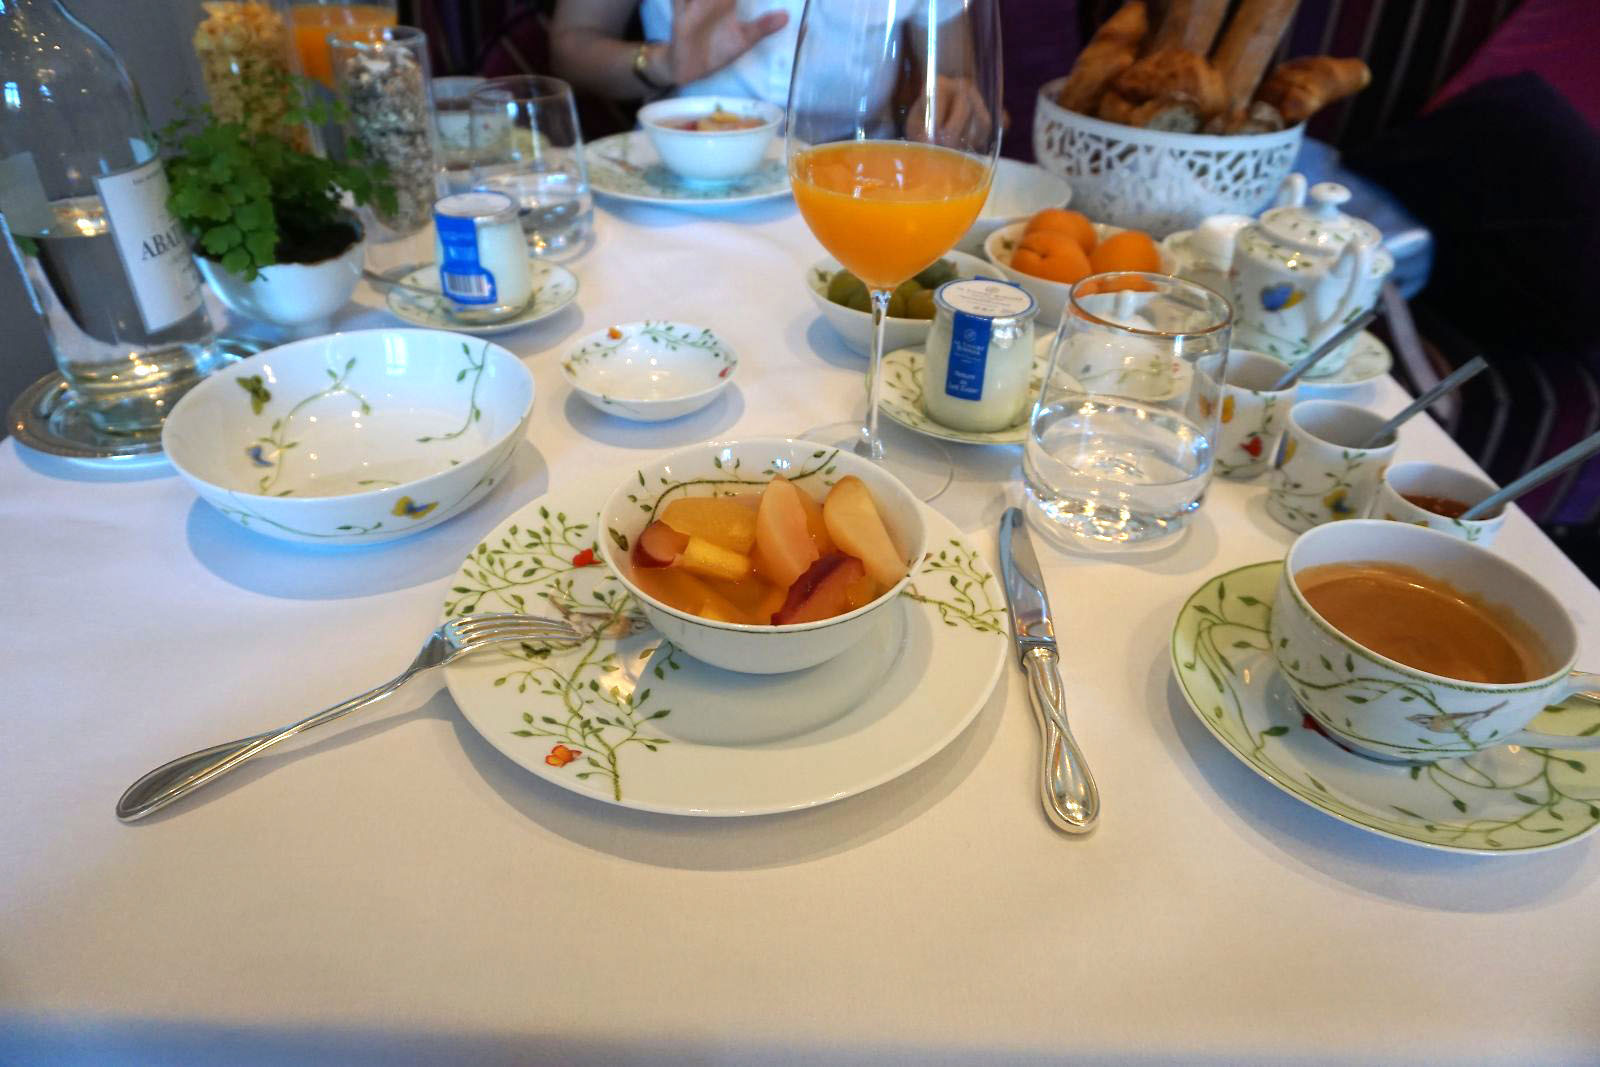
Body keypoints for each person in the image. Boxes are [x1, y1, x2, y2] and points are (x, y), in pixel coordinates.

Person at [550, 0, 993, 146]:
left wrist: (952, 116)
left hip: (853, 184)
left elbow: (955, 82)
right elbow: (570, 49)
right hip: (680, 178)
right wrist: (664, 64)